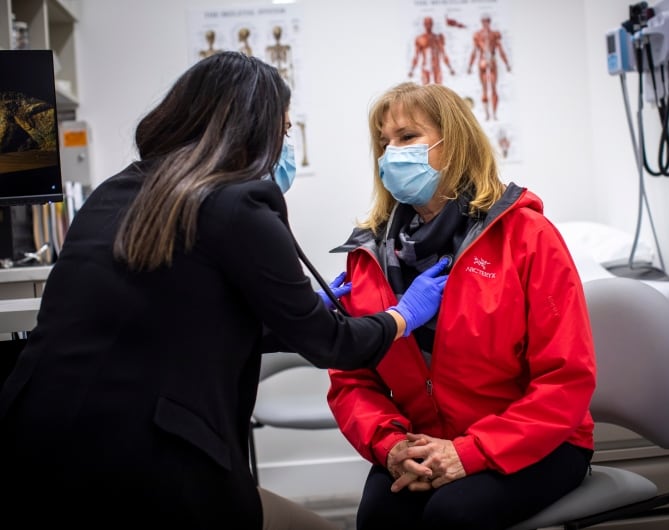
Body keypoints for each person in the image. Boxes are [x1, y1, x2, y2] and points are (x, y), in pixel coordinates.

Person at [0, 53, 448, 529]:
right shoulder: (239, 205)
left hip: (37, 448)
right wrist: (404, 314)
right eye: (285, 129)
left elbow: (184, 321)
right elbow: (330, 344)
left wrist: (291, 314)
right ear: (254, 130)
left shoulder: (119, 191)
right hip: (145, 469)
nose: (286, 143)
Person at [326, 81, 596, 530]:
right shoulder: (370, 253)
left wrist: (470, 451)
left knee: (452, 516)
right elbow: (352, 379)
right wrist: (392, 446)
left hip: (537, 439)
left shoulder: (527, 237)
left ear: (455, 145)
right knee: (379, 517)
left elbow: (566, 380)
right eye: (384, 141)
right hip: (421, 440)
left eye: (407, 137)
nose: (391, 152)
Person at [467, 14, 511, 121]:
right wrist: (470, 66)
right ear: (482, 22)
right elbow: (474, 51)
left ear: (489, 22)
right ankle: (487, 114)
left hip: (491, 61)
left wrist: (506, 64)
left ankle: (494, 114)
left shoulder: (494, 35)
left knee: (494, 88)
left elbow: (500, 50)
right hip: (483, 62)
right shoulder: (477, 35)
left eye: (487, 21)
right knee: (485, 89)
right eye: (484, 21)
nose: (485, 23)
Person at [408, 16, 455, 85]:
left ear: (432, 24)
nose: (428, 25)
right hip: (425, 67)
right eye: (426, 23)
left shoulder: (438, 38)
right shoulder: (420, 39)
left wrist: (450, 68)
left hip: (436, 66)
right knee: (426, 89)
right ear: (424, 24)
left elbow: (443, 53)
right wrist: (412, 70)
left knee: (438, 89)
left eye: (430, 23)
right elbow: (416, 56)